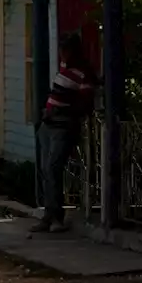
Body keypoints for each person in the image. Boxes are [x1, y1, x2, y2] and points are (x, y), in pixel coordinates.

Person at [32, 32, 96, 234]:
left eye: (66, 51)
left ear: (75, 52)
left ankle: (56, 216)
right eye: (61, 51)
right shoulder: (63, 68)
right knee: (45, 170)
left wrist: (60, 110)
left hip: (64, 126)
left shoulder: (84, 73)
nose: (63, 55)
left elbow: (85, 105)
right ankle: (48, 216)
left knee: (53, 169)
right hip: (48, 125)